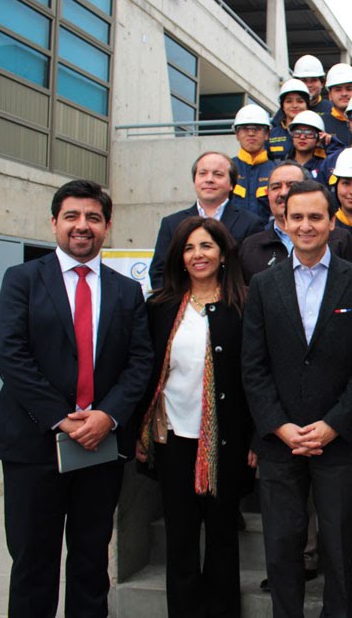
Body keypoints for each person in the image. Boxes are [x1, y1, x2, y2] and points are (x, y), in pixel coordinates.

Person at [0, 179, 153, 617]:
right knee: (32, 562)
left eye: (93, 218)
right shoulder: (22, 279)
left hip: (100, 446)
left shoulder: (125, 291)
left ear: (107, 226)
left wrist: (109, 417)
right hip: (33, 443)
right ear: (54, 223)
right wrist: (61, 417)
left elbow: (140, 363)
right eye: (72, 217)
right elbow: (9, 353)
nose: (83, 226)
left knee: (90, 560)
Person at [242, 179, 352, 618]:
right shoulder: (264, 286)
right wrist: (279, 426)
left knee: (339, 550)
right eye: (297, 217)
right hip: (279, 444)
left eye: (315, 217)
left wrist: (333, 424)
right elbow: (253, 366)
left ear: (332, 220)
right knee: (283, 548)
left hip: (340, 440)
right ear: (283, 222)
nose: (306, 225)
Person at [136, 216, 256, 618]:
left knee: (222, 536)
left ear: (223, 253)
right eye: (188, 248)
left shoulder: (244, 304)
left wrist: (256, 437)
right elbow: (146, 371)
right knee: (181, 538)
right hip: (173, 439)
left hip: (228, 441)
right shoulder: (161, 306)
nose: (197, 255)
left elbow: (256, 376)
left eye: (205, 246)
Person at [149, 152, 265, 289]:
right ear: (195, 180)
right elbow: (159, 272)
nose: (209, 179)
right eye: (202, 173)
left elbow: (253, 274)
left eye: (218, 174)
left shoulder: (251, 223)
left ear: (232, 184)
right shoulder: (171, 223)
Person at [239, 160, 352, 283]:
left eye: (292, 186)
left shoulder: (340, 239)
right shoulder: (251, 247)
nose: (283, 193)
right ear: (268, 194)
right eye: (276, 187)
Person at [229, 103, 276, 222]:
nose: (251, 133)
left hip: (266, 237)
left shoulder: (276, 171)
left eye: (257, 129)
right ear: (237, 134)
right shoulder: (226, 169)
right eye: (244, 129)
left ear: (267, 134)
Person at [268, 79, 313, 157]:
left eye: (300, 101)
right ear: (282, 106)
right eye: (289, 101)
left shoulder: (316, 133)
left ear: (307, 105)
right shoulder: (271, 134)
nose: (294, 105)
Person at [321, 63, 352, 144]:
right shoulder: (320, 124)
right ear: (330, 95)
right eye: (338, 90)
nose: (344, 93)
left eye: (349, 89)